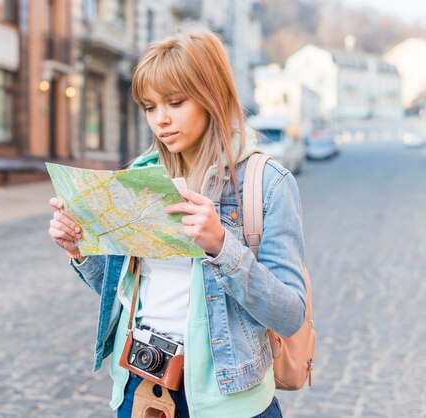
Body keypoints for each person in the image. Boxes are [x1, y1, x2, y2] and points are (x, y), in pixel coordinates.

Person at [48, 28, 306, 418]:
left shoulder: (266, 183)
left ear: (211, 97)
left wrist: (222, 246)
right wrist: (79, 249)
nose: (161, 120)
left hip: (228, 399)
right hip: (142, 385)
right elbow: (122, 292)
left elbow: (290, 315)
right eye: (149, 107)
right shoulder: (139, 177)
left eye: (175, 102)